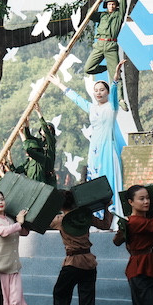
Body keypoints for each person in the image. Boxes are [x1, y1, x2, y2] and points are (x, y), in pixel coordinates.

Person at [48, 60, 125, 211]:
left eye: (102, 90)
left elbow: (115, 93)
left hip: (108, 149)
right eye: (96, 90)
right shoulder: (91, 108)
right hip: (94, 150)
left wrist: (115, 79)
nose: (98, 92)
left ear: (107, 92)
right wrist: (59, 84)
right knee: (95, 181)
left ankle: (113, 214)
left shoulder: (112, 107)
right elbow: (77, 99)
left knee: (108, 179)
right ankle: (97, 216)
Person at [46, 191, 113, 305]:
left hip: (72, 262)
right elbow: (105, 225)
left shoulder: (60, 220)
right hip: (89, 262)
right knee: (87, 298)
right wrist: (106, 208)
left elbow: (41, 223)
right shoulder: (85, 216)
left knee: (60, 293)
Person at [85, 0, 128, 109]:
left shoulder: (118, 15)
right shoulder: (102, 15)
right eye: (109, 4)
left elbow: (124, 4)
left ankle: (120, 99)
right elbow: (90, 14)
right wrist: (96, 3)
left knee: (116, 74)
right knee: (88, 68)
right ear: (106, 5)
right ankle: (108, 68)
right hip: (99, 44)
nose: (111, 6)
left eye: (113, 4)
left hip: (111, 46)